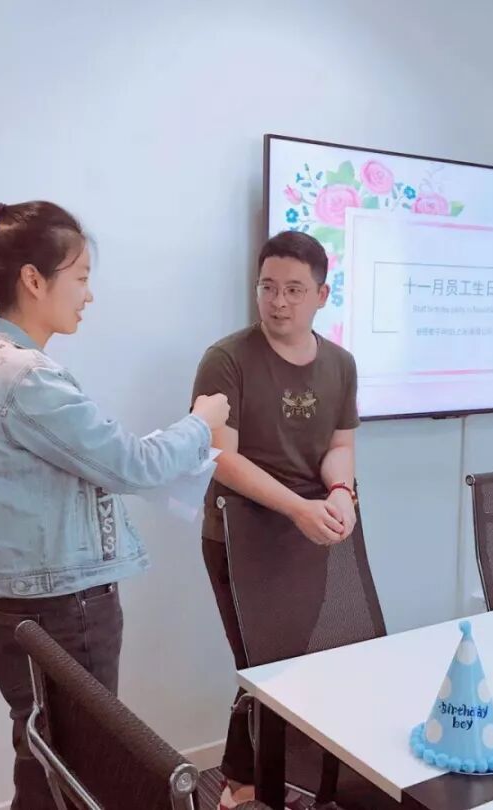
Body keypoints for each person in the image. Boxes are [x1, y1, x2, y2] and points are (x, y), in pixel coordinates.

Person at [0, 199, 229, 809]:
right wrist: (201, 422)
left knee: (44, 759)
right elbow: (132, 463)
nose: (89, 295)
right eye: (80, 277)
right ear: (33, 279)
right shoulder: (25, 376)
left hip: (22, 605)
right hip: (62, 608)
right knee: (78, 772)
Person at [191, 230, 360, 810]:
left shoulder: (340, 364)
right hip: (240, 536)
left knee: (287, 666)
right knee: (260, 667)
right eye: (267, 288)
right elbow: (222, 457)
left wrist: (341, 492)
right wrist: (297, 507)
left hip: (308, 535)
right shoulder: (227, 359)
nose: (278, 302)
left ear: (322, 295)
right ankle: (243, 786)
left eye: (293, 290)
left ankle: (247, 779)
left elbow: (340, 445)